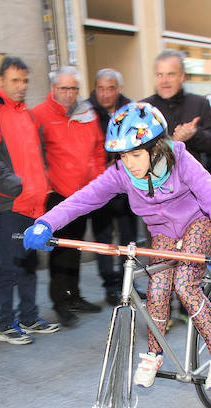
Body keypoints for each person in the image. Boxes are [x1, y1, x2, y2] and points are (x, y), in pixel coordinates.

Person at [21, 102, 211, 391]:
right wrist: (46, 223)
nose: (129, 163)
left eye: (136, 154)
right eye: (123, 156)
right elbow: (84, 198)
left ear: (157, 148)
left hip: (197, 224)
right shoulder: (122, 173)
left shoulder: (182, 161)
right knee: (158, 288)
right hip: (163, 232)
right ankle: (154, 353)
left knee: (186, 285)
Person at [0, 55, 59, 345]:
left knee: (28, 262)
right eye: (15, 81)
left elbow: (37, 156)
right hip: (10, 204)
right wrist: (18, 186)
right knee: (9, 265)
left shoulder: (25, 113)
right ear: (0, 81)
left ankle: (29, 317)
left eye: (25, 81)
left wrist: (41, 187)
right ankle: (5, 324)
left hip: (33, 203)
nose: (21, 86)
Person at [32, 66, 106, 327]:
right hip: (57, 195)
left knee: (75, 247)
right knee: (60, 251)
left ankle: (74, 297)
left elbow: (98, 149)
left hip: (83, 194)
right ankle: (60, 303)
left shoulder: (87, 113)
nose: (68, 93)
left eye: (73, 88)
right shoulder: (39, 115)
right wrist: (47, 185)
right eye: (63, 88)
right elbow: (34, 155)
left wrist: (97, 183)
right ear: (53, 89)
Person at [88, 67, 136, 305]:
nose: (105, 94)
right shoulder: (87, 111)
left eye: (111, 88)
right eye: (101, 88)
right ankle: (110, 286)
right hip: (102, 183)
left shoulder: (131, 109)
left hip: (128, 185)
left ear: (119, 89)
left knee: (129, 238)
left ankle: (130, 283)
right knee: (104, 239)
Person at [142, 49, 211, 168]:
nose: (164, 81)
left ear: (182, 77)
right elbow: (136, 152)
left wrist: (194, 134)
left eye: (170, 74)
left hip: (193, 181)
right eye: (159, 75)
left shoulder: (199, 103)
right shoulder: (143, 109)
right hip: (157, 183)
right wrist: (173, 142)